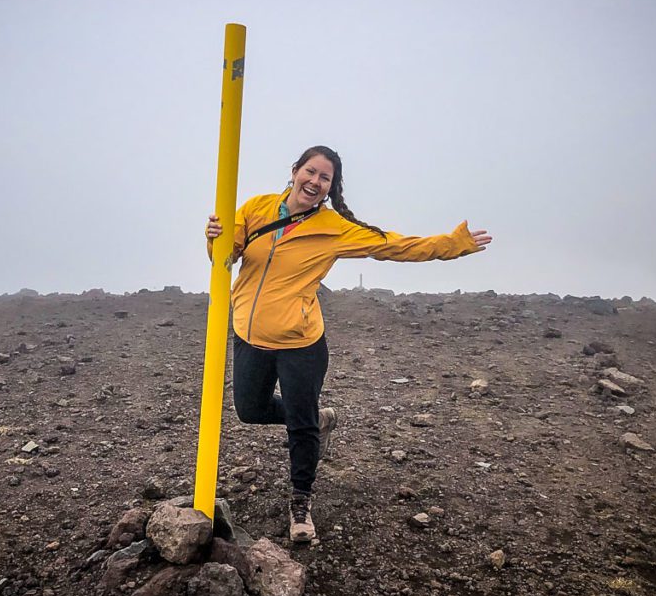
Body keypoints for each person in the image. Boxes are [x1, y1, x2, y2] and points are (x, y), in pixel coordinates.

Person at [205, 145, 492, 542]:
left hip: (300, 343)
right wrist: (214, 238)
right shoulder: (257, 208)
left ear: (330, 188)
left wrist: (453, 243)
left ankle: (301, 504)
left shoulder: (333, 228)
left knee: (299, 426)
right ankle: (317, 419)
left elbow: (394, 246)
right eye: (310, 171)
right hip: (250, 335)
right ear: (294, 171)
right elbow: (226, 254)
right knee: (250, 410)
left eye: (325, 178)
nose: (315, 181)